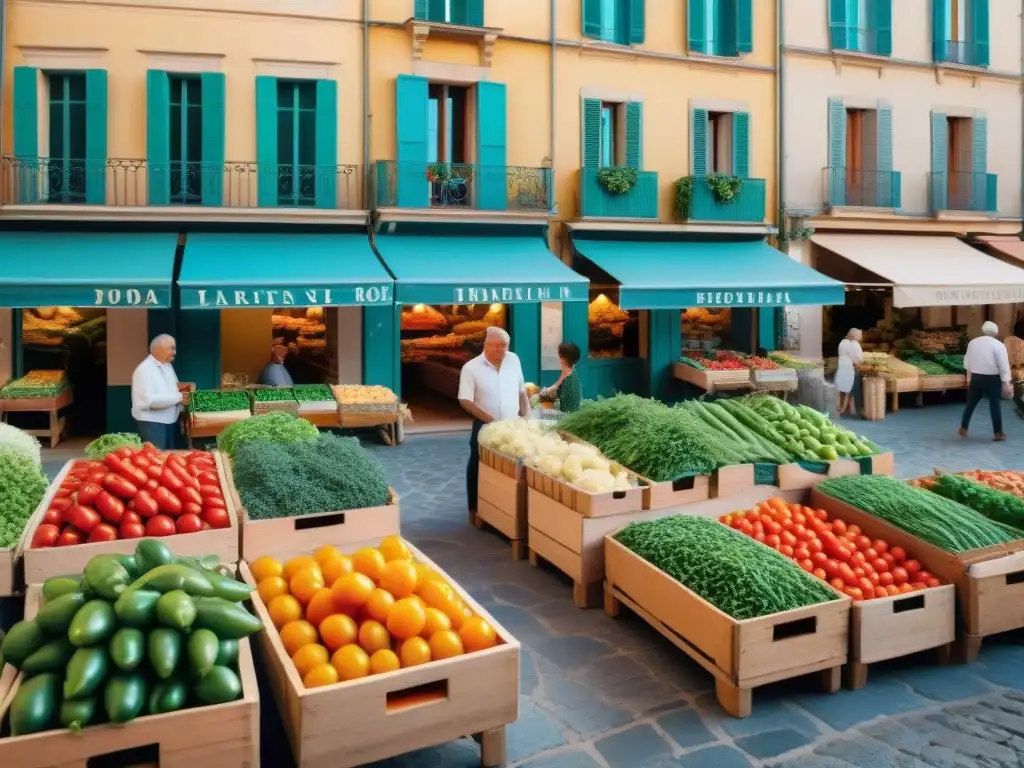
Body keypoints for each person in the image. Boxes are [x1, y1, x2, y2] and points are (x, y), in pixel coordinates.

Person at [459, 326, 529, 513]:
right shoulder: (471, 368)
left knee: (512, 465)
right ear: (486, 345)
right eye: (496, 346)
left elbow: (521, 390)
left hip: (512, 424)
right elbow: (465, 400)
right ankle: (474, 508)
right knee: (478, 463)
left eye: (504, 345)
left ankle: (504, 507)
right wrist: (490, 420)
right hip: (485, 425)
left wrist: (527, 414)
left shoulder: (514, 360)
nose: (501, 350)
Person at [960, 321, 1012, 441]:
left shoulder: (973, 343)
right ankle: (998, 432)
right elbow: (1003, 365)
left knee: (971, 403)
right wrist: (1006, 382)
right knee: (994, 405)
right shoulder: (998, 345)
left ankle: (963, 427)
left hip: (976, 377)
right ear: (996, 332)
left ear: (983, 330)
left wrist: (969, 378)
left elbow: (967, 362)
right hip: (993, 379)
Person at [131, 334, 184, 449]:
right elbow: (149, 401)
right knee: (156, 459)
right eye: (171, 348)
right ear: (158, 349)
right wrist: (180, 397)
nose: (174, 352)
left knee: (167, 459)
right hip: (152, 424)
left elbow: (170, 387)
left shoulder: (167, 365)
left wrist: (182, 388)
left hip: (169, 421)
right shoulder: (145, 369)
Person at [540, 342, 583, 413]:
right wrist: (549, 389)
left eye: (559, 355)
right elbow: (559, 382)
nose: (557, 357)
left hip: (568, 416)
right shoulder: (569, 369)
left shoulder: (569, 383)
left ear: (564, 359)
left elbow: (566, 411)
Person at [834, 328, 863, 418]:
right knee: (850, 388)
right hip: (849, 369)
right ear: (854, 336)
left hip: (842, 367)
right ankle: (847, 409)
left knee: (840, 388)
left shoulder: (843, 342)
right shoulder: (853, 344)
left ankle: (844, 408)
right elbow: (859, 359)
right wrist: (859, 362)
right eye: (859, 336)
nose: (861, 338)